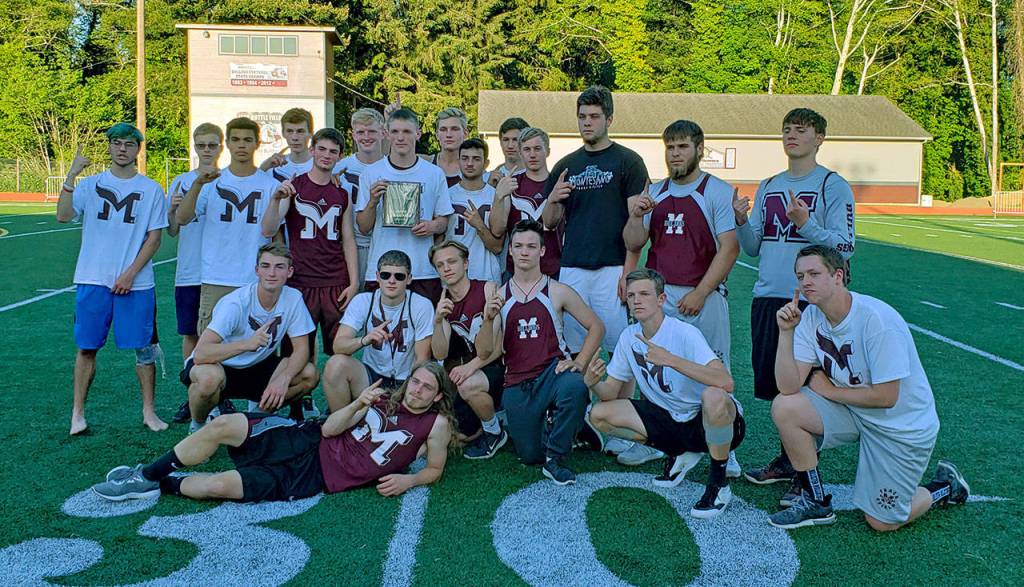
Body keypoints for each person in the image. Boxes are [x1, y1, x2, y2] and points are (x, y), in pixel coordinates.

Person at [767, 245, 968, 530]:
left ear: (838, 276)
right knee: (785, 407)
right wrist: (786, 334)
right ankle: (815, 500)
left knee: (882, 522)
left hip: (900, 426)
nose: (805, 282)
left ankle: (945, 487)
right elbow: (787, 387)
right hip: (855, 411)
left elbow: (887, 397)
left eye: (814, 273)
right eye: (800, 276)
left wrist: (830, 391)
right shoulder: (810, 317)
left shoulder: (877, 320)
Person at [92, 363, 454, 503]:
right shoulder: (384, 397)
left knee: (220, 486)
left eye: (427, 388)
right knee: (223, 425)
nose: (417, 390)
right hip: (308, 438)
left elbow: (435, 469)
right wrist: (358, 403)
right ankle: (146, 475)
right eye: (415, 382)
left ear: (437, 396)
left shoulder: (435, 424)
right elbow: (330, 428)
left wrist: (410, 480)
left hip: (316, 476)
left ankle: (162, 485)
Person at [733, 108, 857, 487]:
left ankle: (806, 472)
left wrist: (807, 224)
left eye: (801, 130)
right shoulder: (769, 184)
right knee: (777, 385)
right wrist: (741, 220)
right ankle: (790, 460)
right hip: (768, 295)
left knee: (806, 386)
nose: (791, 136)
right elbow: (753, 247)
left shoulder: (832, 185)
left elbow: (845, 247)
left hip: (811, 302)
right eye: (787, 130)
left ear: (819, 138)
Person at [621, 120, 741, 470]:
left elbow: (730, 248)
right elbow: (633, 243)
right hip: (660, 297)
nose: (675, 154)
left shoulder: (716, 191)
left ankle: (726, 445)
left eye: (683, 146)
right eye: (670, 147)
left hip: (704, 295)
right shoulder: (655, 192)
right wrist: (636, 216)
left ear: (699, 149)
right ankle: (658, 441)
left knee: (715, 368)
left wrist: (702, 292)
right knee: (653, 369)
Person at [584, 269, 743, 518]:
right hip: (671, 418)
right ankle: (678, 452)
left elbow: (725, 381)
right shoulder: (629, 337)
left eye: (644, 294)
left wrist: (670, 360)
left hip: (710, 421)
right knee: (599, 414)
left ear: (661, 299)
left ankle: (718, 483)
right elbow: (610, 393)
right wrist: (592, 382)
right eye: (631, 295)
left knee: (714, 397)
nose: (637, 300)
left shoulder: (684, 332)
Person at [55, 124, 169, 436]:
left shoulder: (151, 189)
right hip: (93, 278)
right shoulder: (91, 184)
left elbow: (154, 239)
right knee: (87, 347)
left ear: (138, 149)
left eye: (129, 144)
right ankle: (77, 414)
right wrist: (71, 175)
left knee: (144, 348)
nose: (122, 149)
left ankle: (149, 412)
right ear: (109, 146)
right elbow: (63, 215)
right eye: (116, 143)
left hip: (137, 283)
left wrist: (130, 274)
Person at [477, 220, 604, 485]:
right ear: (510, 250)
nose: (524, 252)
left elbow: (596, 327)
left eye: (531, 246)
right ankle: (572, 427)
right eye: (519, 246)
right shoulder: (500, 296)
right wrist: (488, 320)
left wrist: (579, 362)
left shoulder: (557, 290)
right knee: (530, 455)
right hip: (517, 382)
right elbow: (484, 351)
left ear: (542, 251)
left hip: (552, 372)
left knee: (575, 385)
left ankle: (556, 458)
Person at [541, 85, 648, 355]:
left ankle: (617, 388)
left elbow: (636, 228)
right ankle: (582, 386)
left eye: (594, 116)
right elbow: (549, 223)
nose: (587, 122)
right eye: (582, 116)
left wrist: (628, 272)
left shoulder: (628, 162)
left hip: (613, 268)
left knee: (619, 348)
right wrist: (552, 198)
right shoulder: (566, 166)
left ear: (609, 119)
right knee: (575, 348)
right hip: (573, 267)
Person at [180, 243, 318, 433]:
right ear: (257, 270)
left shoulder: (293, 298)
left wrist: (284, 378)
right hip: (220, 365)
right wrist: (246, 344)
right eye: (265, 266)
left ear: (290, 272)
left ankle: (256, 419)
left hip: (257, 366)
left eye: (279, 267)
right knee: (208, 379)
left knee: (309, 374)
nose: (272, 273)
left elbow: (302, 349)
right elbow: (200, 354)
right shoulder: (236, 303)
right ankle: (198, 426)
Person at [260, 128, 360, 360]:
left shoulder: (342, 193)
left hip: (335, 281)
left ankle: (338, 386)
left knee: (340, 351)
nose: (326, 155)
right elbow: (268, 229)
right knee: (296, 352)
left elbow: (348, 240)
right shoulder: (294, 186)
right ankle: (302, 386)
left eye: (333, 151)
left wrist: (354, 282)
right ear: (312, 150)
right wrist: (275, 200)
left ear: (340, 156)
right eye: (322, 149)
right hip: (300, 281)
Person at [176, 117, 280, 333]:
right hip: (216, 276)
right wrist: (196, 186)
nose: (241, 145)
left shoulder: (271, 185)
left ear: (257, 143)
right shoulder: (211, 182)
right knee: (211, 342)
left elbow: (274, 233)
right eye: (236, 139)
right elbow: (183, 218)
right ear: (228, 144)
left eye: (247, 140)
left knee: (257, 341)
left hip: (255, 278)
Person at [356, 108, 453, 304]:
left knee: (424, 324)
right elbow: (364, 228)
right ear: (386, 134)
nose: (401, 138)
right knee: (380, 324)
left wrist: (432, 226)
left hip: (422, 271)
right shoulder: (371, 173)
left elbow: (444, 221)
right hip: (382, 271)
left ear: (418, 134)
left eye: (407, 132)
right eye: (395, 131)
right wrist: (373, 202)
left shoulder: (434, 173)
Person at [322, 250, 434, 412]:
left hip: (407, 379)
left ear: (409, 279)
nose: (391, 281)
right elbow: (338, 346)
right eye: (385, 275)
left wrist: (404, 392)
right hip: (371, 376)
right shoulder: (363, 301)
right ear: (377, 276)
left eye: (399, 276)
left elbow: (422, 359)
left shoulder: (421, 305)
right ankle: (341, 421)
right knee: (336, 364)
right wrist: (364, 340)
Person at [166, 123, 224, 424]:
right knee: (190, 334)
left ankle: (220, 395)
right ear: (194, 146)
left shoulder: (229, 179)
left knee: (220, 336)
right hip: (190, 272)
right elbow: (172, 230)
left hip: (221, 272)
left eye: (212, 145)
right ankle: (193, 395)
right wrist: (173, 211)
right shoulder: (181, 181)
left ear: (221, 147)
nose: (206, 150)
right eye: (201, 145)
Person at [428, 240, 506, 458]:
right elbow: (440, 353)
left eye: (452, 262)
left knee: (467, 385)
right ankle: (486, 419)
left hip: (498, 366)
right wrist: (438, 321)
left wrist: (469, 368)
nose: (446, 268)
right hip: (473, 370)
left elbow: (499, 347)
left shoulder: (488, 289)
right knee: (460, 435)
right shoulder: (443, 301)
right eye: (440, 265)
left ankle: (494, 432)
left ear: (466, 264)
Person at [490, 127, 563, 280]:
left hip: (553, 270)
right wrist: (499, 197)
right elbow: (497, 230)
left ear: (547, 151)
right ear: (520, 153)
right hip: (516, 271)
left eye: (537, 148)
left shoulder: (559, 184)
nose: (532, 154)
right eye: (527, 149)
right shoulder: (512, 183)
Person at [333, 108, 387, 288]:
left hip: (383, 243)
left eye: (372, 131)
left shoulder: (392, 166)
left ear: (383, 133)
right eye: (361, 132)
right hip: (349, 245)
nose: (366, 137)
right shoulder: (340, 167)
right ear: (353, 135)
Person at [446, 138, 503, 282]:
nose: (470, 163)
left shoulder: (496, 196)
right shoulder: (446, 195)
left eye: (476, 159)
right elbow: (439, 242)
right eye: (465, 158)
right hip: (453, 278)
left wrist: (479, 225)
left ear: (486, 163)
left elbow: (497, 247)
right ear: (458, 161)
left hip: (487, 277)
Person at [260, 108, 315, 182]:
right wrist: (262, 169)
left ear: (311, 133)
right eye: (289, 131)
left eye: (300, 131)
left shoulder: (323, 165)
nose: (295, 138)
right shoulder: (271, 167)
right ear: (283, 133)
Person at [425, 107, 468, 187]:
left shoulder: (476, 171)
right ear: (437, 135)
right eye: (443, 129)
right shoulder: (425, 165)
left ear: (465, 134)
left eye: (454, 129)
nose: (448, 135)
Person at [487, 117, 530, 186]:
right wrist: (489, 187)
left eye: (515, 140)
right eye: (506, 140)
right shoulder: (488, 179)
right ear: (500, 142)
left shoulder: (539, 178)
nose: (510, 145)